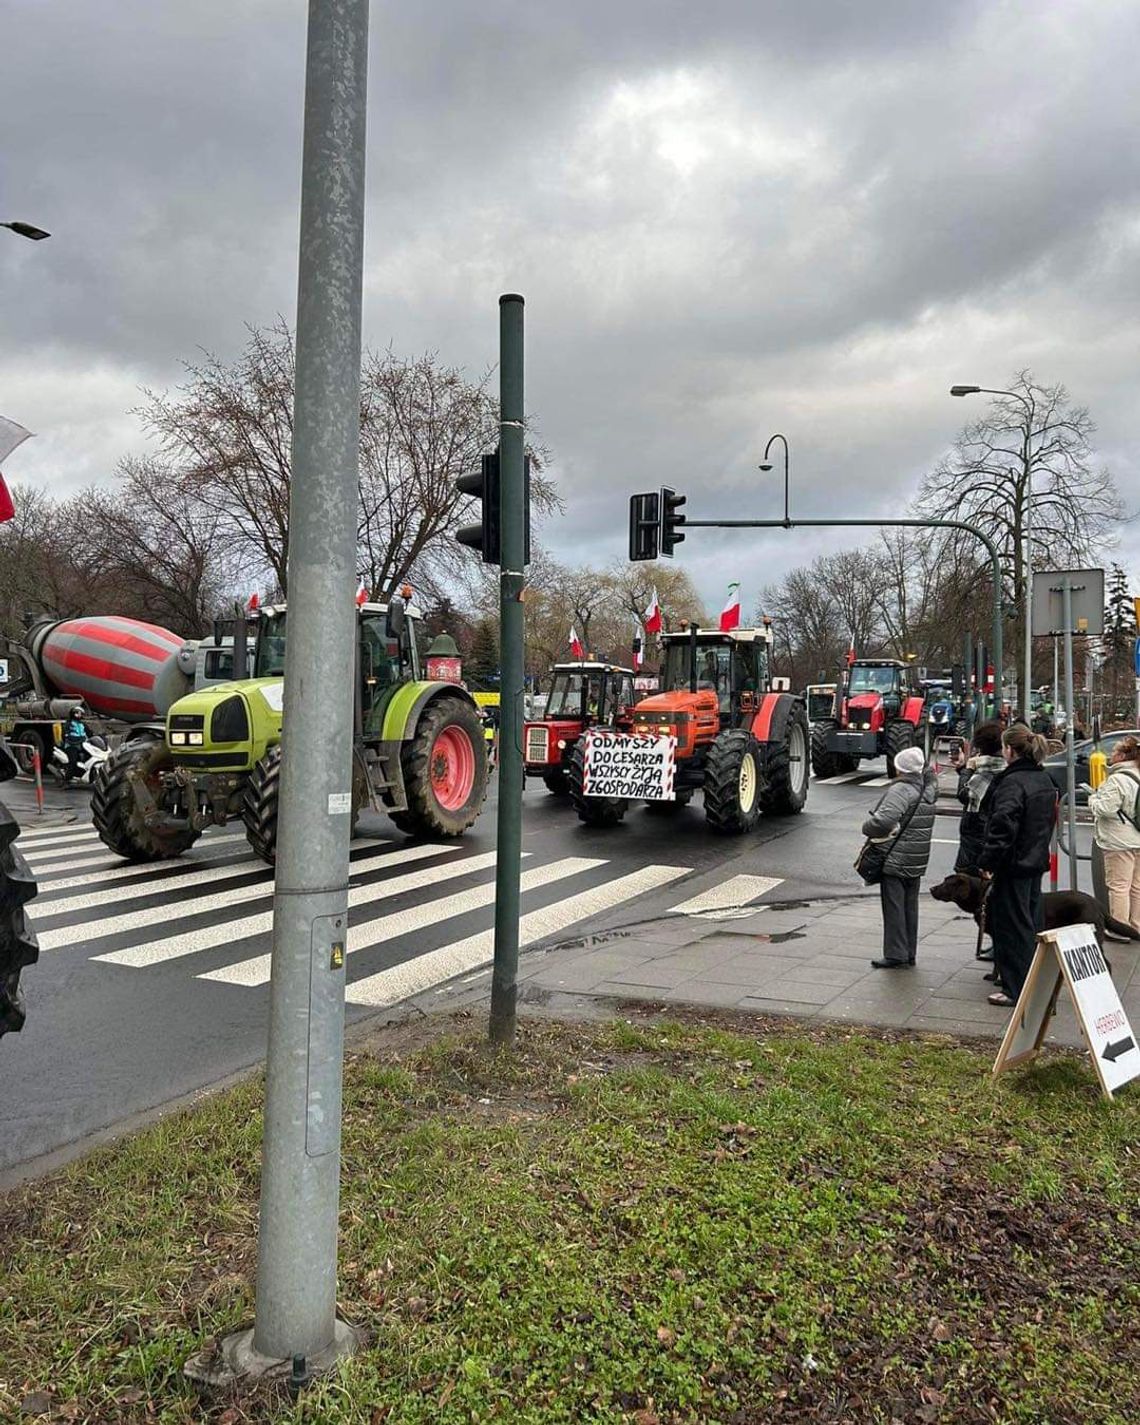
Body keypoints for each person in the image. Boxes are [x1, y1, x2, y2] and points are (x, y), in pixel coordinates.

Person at [977, 724, 1057, 1008]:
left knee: (1012, 926)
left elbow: (1003, 825)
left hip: (1012, 864)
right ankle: (1033, 981)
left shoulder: (1012, 782)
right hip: (1034, 860)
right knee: (1030, 921)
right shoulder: (1044, 779)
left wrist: (988, 862)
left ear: (1009, 750)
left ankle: (1015, 987)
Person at [861, 745, 938, 969]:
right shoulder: (928, 789)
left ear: (900, 769)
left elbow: (883, 822)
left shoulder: (901, 790)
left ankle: (896, 953)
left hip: (896, 856)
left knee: (894, 906)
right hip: (917, 857)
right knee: (910, 906)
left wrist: (866, 826)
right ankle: (909, 951)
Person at [1088, 736, 1140, 933]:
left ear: (1122, 756)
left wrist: (1093, 798)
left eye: (1115, 752)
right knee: (1136, 887)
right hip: (1138, 838)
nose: (1111, 756)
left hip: (1119, 841)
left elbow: (1106, 808)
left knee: (1119, 887)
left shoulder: (1118, 779)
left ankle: (1120, 928)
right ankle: (1136, 926)